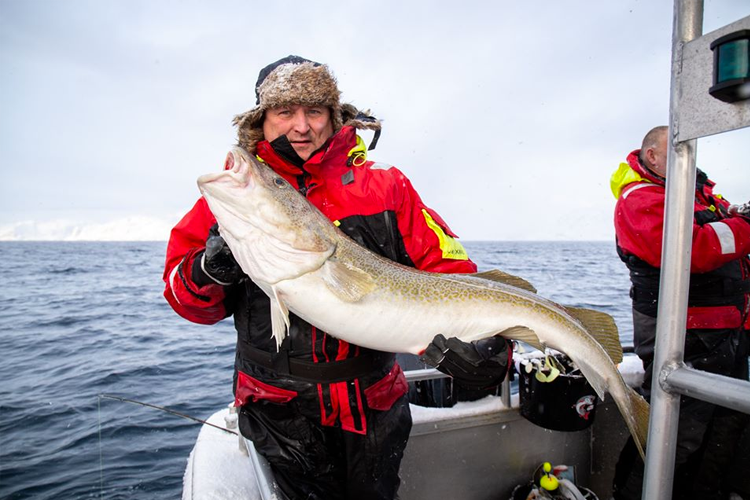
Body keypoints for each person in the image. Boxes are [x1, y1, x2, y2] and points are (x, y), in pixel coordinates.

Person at [163, 55, 512, 500]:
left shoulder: (386, 187)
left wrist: (488, 346)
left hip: (375, 405)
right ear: (261, 121)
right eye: (285, 111)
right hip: (279, 412)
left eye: (314, 111)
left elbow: (450, 270)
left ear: (333, 115)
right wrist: (209, 269)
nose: (301, 126)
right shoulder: (232, 196)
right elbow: (185, 299)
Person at [610, 125, 750, 500]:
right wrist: (745, 226)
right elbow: (695, 249)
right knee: (676, 437)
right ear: (652, 156)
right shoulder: (641, 200)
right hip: (686, 337)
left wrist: (735, 218)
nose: (688, 157)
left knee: (723, 431)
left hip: (726, 333)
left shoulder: (698, 197)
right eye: (677, 149)